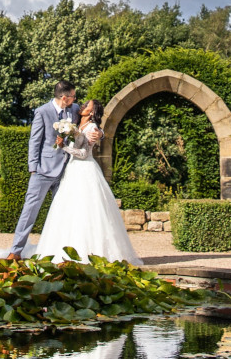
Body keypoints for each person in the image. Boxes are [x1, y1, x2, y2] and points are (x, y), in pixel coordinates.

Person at [35, 100, 142, 265]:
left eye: (87, 106)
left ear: (92, 112)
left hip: (85, 171)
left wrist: (64, 146)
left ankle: (92, 252)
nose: (83, 106)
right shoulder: (77, 122)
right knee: (68, 211)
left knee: (87, 210)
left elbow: (84, 154)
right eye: (84, 104)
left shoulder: (92, 128)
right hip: (72, 170)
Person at [8, 81, 79, 259]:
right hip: (43, 171)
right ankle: (15, 251)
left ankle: (59, 252)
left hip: (66, 171)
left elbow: (91, 116)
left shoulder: (74, 109)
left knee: (62, 213)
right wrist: (33, 168)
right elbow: (35, 141)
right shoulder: (42, 112)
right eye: (73, 96)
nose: (75, 99)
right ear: (64, 97)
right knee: (30, 210)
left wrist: (99, 133)